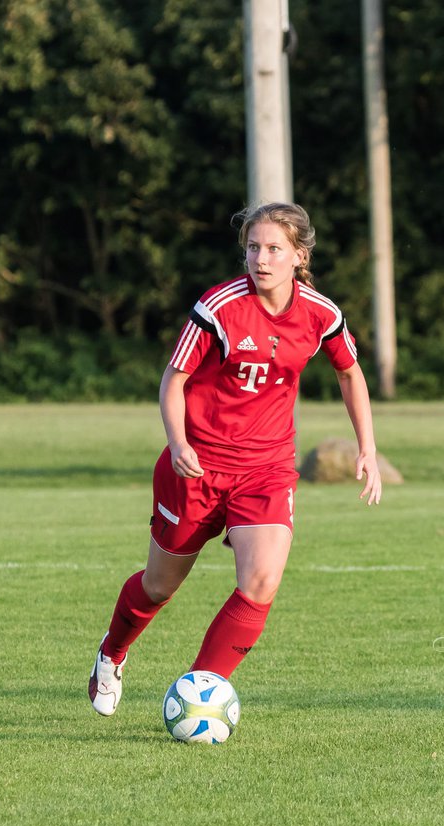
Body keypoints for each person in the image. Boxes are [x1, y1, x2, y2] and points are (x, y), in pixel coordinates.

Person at [89, 202, 382, 715]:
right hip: (197, 466)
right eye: (253, 247)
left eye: (273, 249)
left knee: (261, 581)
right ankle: (112, 653)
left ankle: (200, 690)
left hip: (267, 469)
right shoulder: (219, 306)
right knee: (159, 585)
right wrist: (179, 443)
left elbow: (349, 373)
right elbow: (173, 380)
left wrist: (368, 448)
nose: (260, 259)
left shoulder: (321, 314)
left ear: (299, 255)